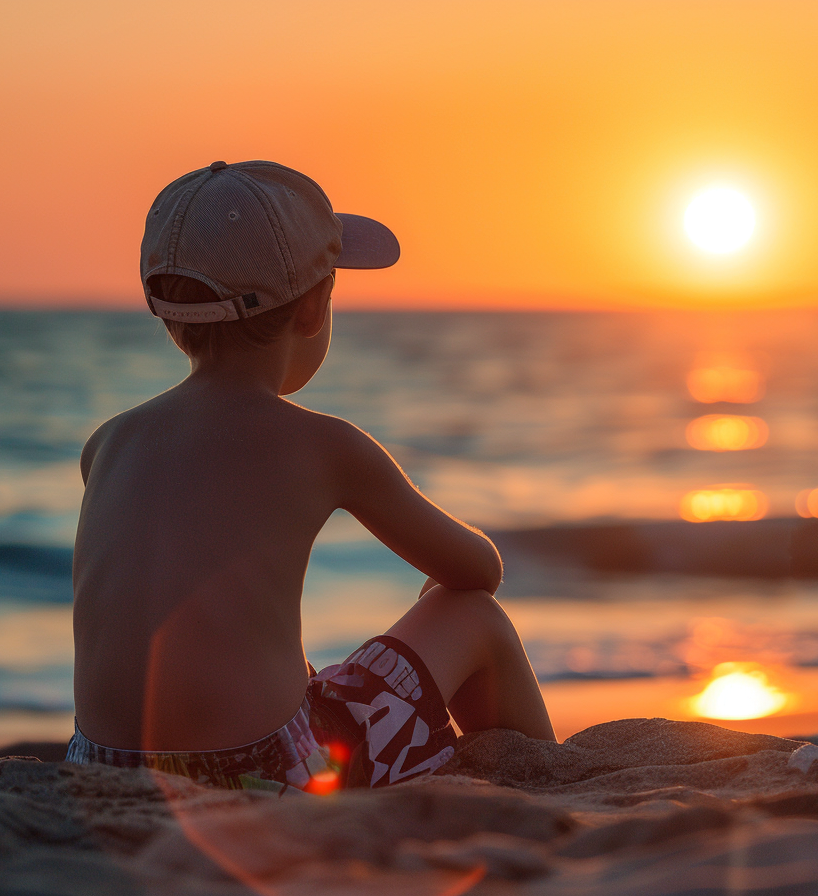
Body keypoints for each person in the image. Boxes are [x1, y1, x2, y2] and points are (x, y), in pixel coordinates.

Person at [66, 160, 554, 793]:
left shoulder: (108, 443)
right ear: (313, 309)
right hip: (264, 771)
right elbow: (479, 572)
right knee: (472, 617)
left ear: (170, 316)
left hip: (100, 771)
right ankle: (546, 783)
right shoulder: (327, 446)